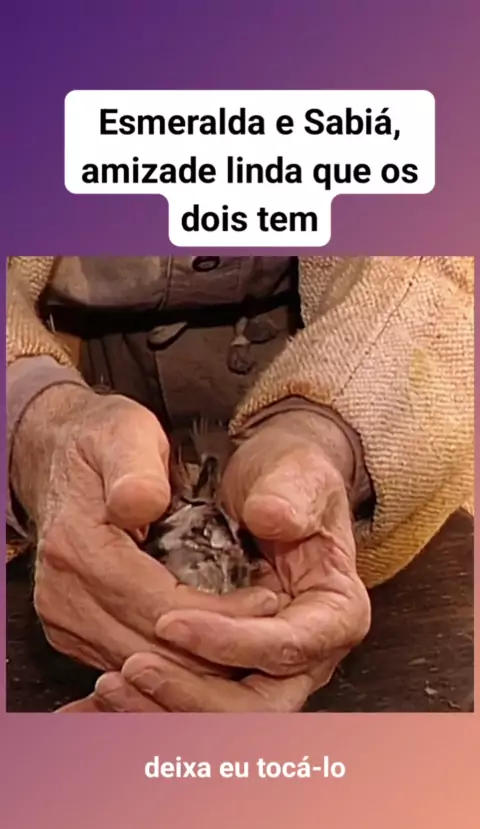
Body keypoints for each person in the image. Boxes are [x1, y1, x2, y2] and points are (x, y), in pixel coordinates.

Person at [6, 255, 474, 713]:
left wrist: (329, 432)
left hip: (326, 360)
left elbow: (441, 258)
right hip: (66, 358)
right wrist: (33, 417)